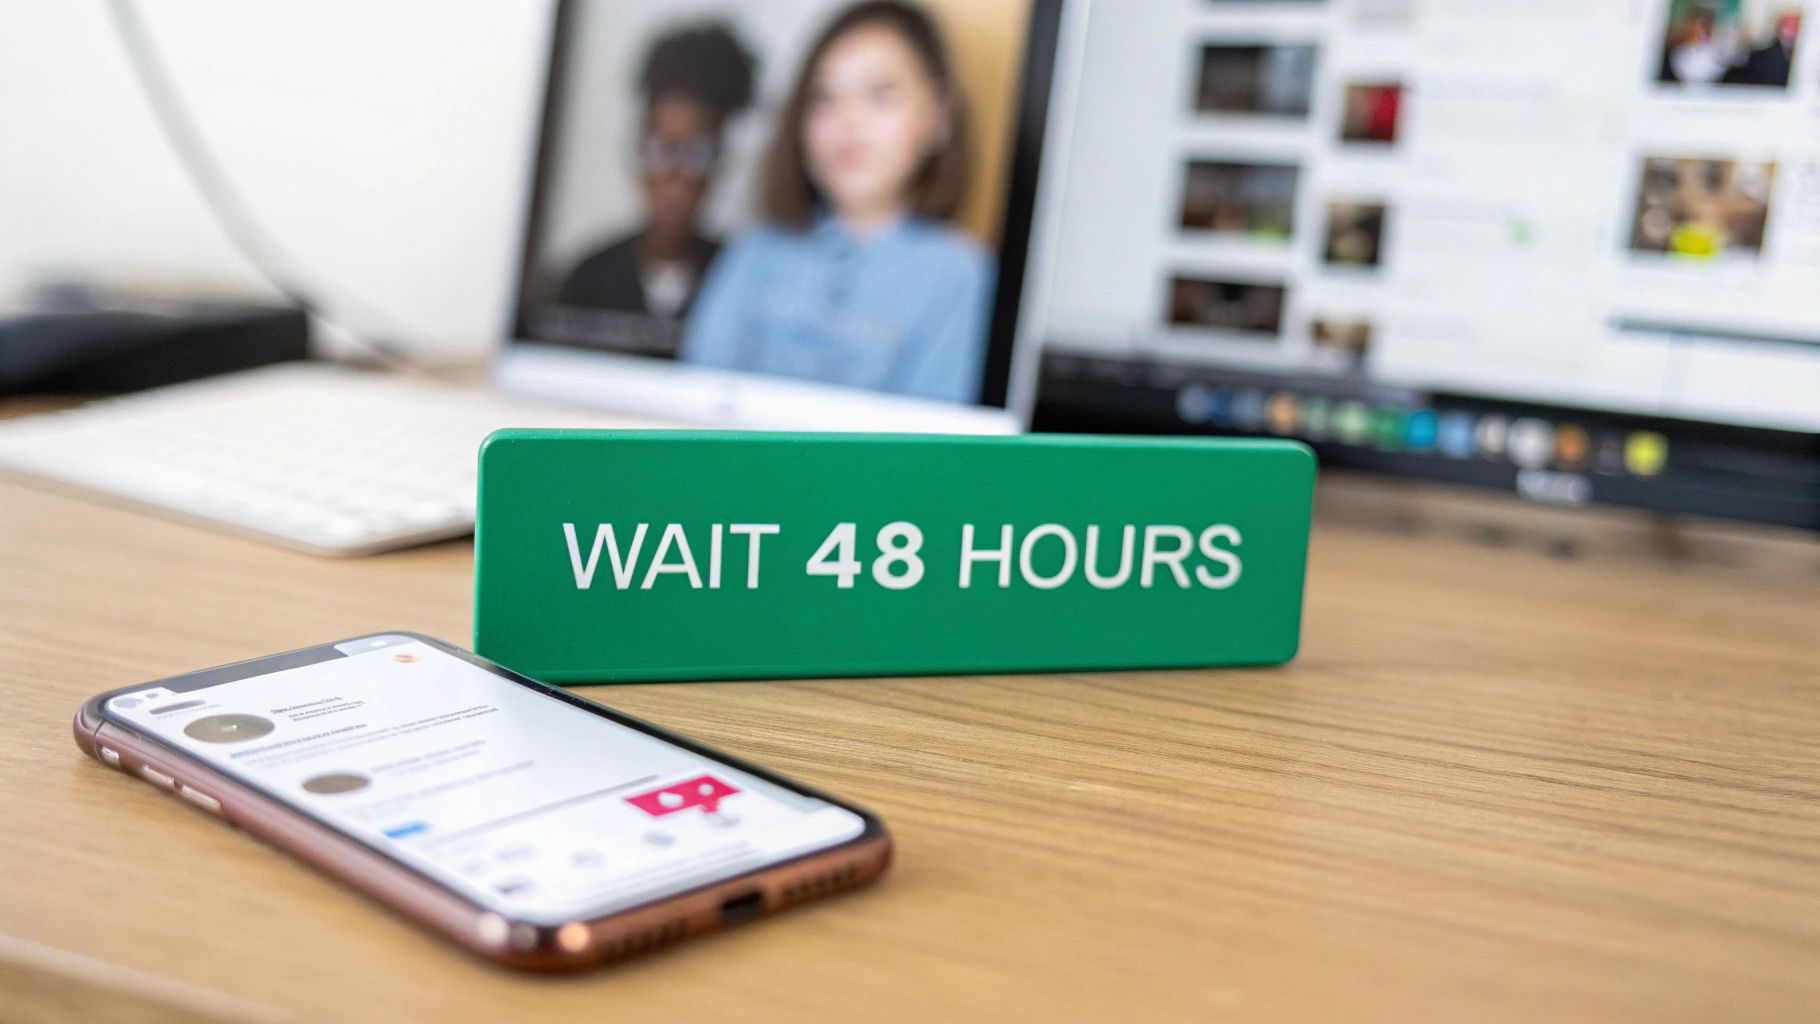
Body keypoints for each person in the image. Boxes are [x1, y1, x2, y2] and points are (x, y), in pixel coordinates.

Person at [681, 1, 994, 404]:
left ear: (938, 117)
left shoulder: (961, 275)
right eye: (825, 98)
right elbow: (692, 406)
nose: (849, 121)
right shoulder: (755, 250)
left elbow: (933, 450)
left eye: (881, 95)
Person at [559, 24, 757, 319]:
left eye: (696, 154)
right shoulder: (588, 279)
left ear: (721, 162)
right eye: (658, 151)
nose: (672, 176)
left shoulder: (743, 281)